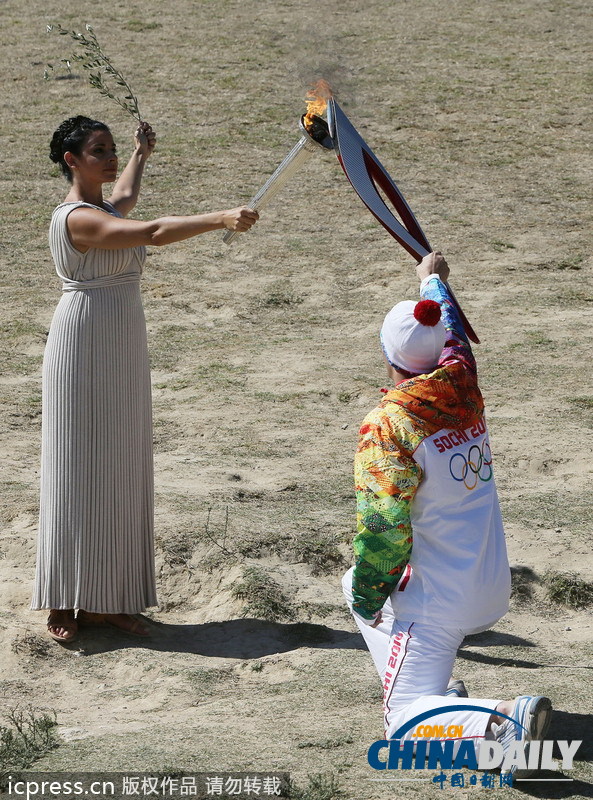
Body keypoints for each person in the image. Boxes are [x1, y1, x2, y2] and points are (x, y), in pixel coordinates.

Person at [32, 115, 258, 642]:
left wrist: (140, 153)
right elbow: (153, 232)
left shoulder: (105, 207)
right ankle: (64, 597)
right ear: (71, 160)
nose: (109, 160)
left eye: (112, 149)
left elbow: (126, 197)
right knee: (76, 468)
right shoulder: (76, 219)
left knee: (118, 467)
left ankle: (107, 598)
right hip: (82, 348)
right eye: (99, 151)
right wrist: (220, 217)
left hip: (121, 346)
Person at [342, 251, 551, 778]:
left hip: (436, 603)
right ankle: (438, 693)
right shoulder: (462, 384)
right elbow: (452, 334)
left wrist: (371, 599)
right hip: (489, 584)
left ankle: (503, 720)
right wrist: (432, 281)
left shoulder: (389, 427)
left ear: (387, 353)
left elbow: (383, 532)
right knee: (351, 584)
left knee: (403, 729)